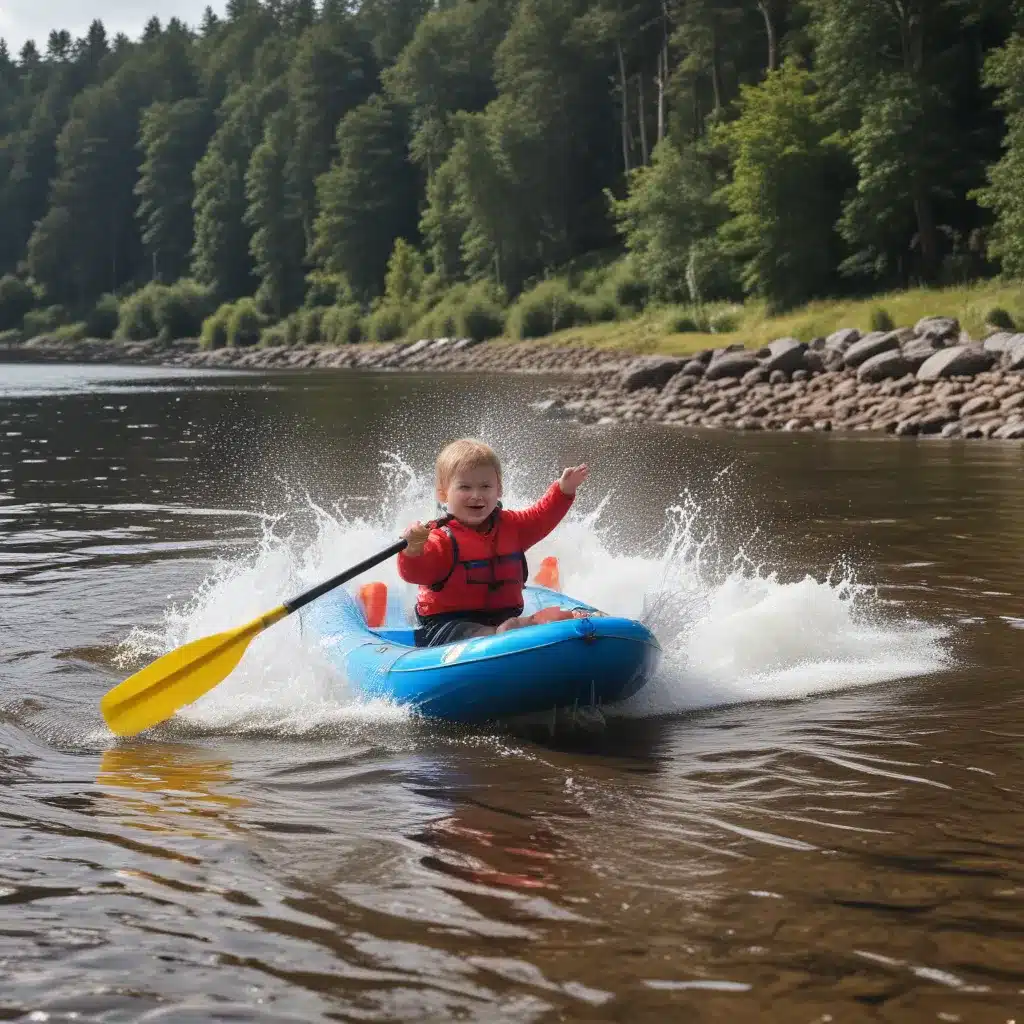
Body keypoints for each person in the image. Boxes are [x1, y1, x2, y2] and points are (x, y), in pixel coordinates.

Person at [398, 438, 589, 647]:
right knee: (490, 632)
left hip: (502, 618)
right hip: (449, 627)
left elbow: (541, 517)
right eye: (465, 487)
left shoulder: (512, 526)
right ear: (443, 494)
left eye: (485, 486)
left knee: (510, 628)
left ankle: (522, 629)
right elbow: (416, 572)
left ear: (498, 490)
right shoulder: (440, 538)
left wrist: (563, 491)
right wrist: (413, 548)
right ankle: (512, 632)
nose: (476, 495)